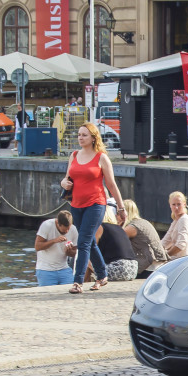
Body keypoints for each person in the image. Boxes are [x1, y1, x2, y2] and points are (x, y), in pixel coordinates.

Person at [60, 121, 126, 293]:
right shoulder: (74, 155)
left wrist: (121, 207)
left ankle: (78, 282)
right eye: (79, 135)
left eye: (84, 135)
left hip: (96, 203)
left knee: (83, 242)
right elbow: (67, 178)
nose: (80, 138)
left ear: (93, 137)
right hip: (76, 204)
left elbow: (111, 185)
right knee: (89, 241)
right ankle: (103, 275)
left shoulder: (101, 157)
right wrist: (63, 183)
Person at [121, 199, 168, 276]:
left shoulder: (131, 228)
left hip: (147, 267)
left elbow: (116, 242)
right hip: (158, 264)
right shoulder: (144, 222)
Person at [33, 210, 78, 287]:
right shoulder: (46, 225)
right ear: (58, 223)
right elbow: (37, 246)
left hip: (64, 269)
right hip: (45, 270)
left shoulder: (74, 230)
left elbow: (75, 253)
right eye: (64, 230)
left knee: (71, 293)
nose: (67, 231)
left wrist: (69, 252)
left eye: (68, 229)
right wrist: (54, 241)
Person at [95, 210, 139, 282]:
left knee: (90, 260)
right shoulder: (119, 228)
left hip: (119, 267)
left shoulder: (99, 228)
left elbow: (90, 251)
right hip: (133, 269)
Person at [162, 191, 188, 260]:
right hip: (179, 260)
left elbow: (181, 244)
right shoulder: (176, 221)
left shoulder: (184, 219)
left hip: (185, 261)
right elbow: (165, 241)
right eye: (173, 204)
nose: (176, 207)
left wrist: (166, 255)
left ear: (184, 204)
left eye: (179, 204)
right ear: (170, 205)